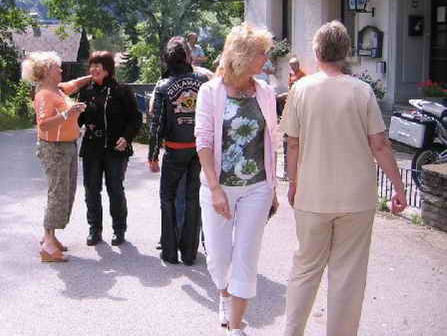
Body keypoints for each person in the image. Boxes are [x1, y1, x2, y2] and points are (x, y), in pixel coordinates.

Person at [280, 21, 407, 336]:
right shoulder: (361, 91)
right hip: (356, 197)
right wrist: (398, 186)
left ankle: (292, 332)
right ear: (346, 52)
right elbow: (380, 144)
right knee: (348, 275)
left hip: (312, 194)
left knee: (305, 268)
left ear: (317, 51)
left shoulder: (300, 90)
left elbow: (292, 143)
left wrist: (293, 183)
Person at [195, 23, 280, 336]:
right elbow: (203, 141)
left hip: (257, 188)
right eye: (261, 54)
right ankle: (224, 293)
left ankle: (235, 326)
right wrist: (215, 188)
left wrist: (273, 188)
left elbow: (272, 141)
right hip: (218, 187)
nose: (266, 60)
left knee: (246, 255)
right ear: (243, 55)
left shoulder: (266, 92)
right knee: (218, 259)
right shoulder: (210, 92)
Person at [21, 52, 92, 263]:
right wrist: (68, 114)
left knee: (64, 192)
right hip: (55, 149)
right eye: (56, 67)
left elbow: (74, 84)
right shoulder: (44, 94)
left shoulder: (57, 90)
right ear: (46, 71)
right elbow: (43, 124)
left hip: (66, 147)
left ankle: (49, 237)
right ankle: (49, 246)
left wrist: (92, 76)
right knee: (58, 194)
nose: (61, 70)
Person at [148, 36, 209, 265]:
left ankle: (170, 252)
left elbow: (156, 123)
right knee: (193, 199)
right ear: (187, 57)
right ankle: (190, 253)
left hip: (174, 150)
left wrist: (153, 155)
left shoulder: (163, 86)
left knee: (168, 198)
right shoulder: (202, 81)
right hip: (198, 150)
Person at [78, 51, 142, 246]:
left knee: (115, 189)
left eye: (98, 65)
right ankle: (94, 229)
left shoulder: (122, 90)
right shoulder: (86, 91)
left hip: (116, 149)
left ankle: (119, 229)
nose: (94, 69)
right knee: (91, 190)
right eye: (92, 65)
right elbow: (78, 119)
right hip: (92, 148)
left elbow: (135, 118)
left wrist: (127, 137)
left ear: (108, 68)